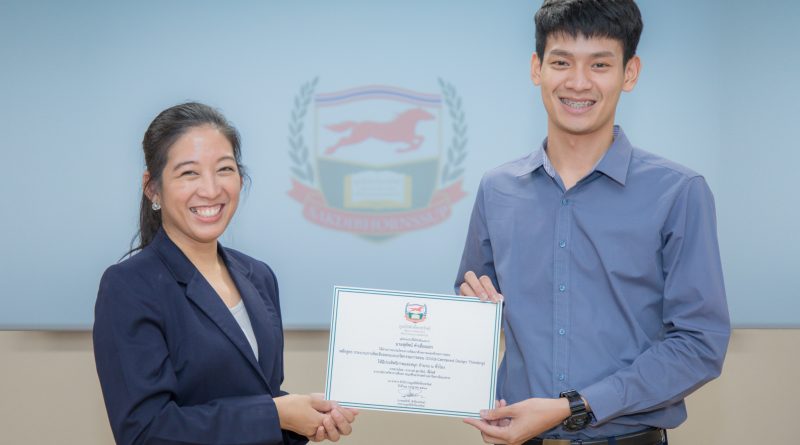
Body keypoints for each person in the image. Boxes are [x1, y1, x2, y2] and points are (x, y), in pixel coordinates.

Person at [456, 1, 730, 444]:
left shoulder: (679, 192)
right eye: (561, 62)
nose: (578, 82)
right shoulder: (497, 189)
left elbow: (700, 344)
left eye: (599, 64)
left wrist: (577, 406)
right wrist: (472, 318)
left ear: (629, 73)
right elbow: (472, 308)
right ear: (537, 68)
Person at [93, 102, 357, 445]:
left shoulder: (259, 276)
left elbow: (257, 395)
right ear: (152, 187)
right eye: (189, 173)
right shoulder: (129, 286)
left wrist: (306, 416)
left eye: (224, 169)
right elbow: (145, 432)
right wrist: (276, 414)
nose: (211, 189)